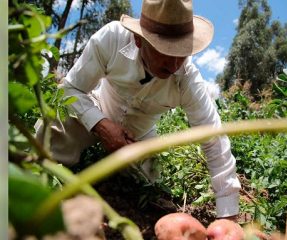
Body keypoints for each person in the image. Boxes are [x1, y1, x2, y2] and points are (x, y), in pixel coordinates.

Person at [36, 0, 241, 220]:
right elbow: (70, 88)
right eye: (165, 52)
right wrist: (101, 124)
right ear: (138, 39)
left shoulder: (188, 79)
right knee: (51, 128)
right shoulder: (112, 38)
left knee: (149, 185)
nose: (174, 66)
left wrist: (228, 214)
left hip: (139, 139)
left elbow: (213, 139)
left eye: (181, 53)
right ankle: (38, 180)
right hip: (98, 111)